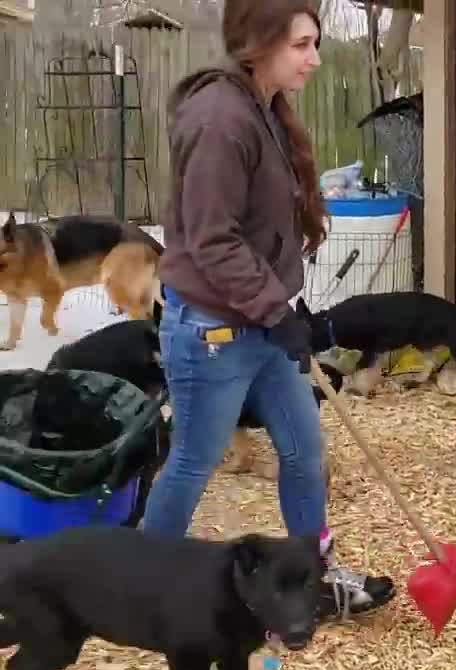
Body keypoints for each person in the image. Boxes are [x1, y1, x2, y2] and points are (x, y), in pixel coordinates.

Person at [140, 0, 394, 619]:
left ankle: (314, 577)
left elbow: (259, 228)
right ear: (259, 43)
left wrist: (283, 305)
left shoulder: (263, 108)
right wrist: (271, 306)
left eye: (314, 43)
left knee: (305, 453)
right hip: (213, 331)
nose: (313, 57)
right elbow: (212, 238)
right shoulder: (219, 120)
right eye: (301, 45)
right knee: (194, 462)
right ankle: (140, 584)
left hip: (261, 322)